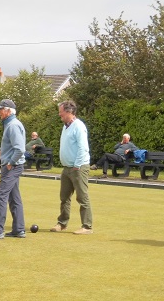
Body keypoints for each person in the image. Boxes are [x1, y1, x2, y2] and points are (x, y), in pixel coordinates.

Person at [0, 99, 27, 240]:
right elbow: (14, 145)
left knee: (1, 195)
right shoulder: (11, 124)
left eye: (1, 109)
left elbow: (20, 149)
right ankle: (18, 229)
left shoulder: (12, 125)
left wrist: (10, 162)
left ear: (8, 111)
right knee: (14, 198)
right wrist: (3, 150)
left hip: (12, 167)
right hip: (12, 165)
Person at [51, 100, 93, 235]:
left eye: (61, 112)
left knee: (82, 196)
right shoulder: (66, 126)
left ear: (69, 112)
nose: (59, 115)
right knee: (64, 197)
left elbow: (83, 148)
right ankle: (62, 223)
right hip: (67, 167)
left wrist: (77, 165)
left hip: (78, 167)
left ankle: (87, 226)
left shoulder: (79, 126)